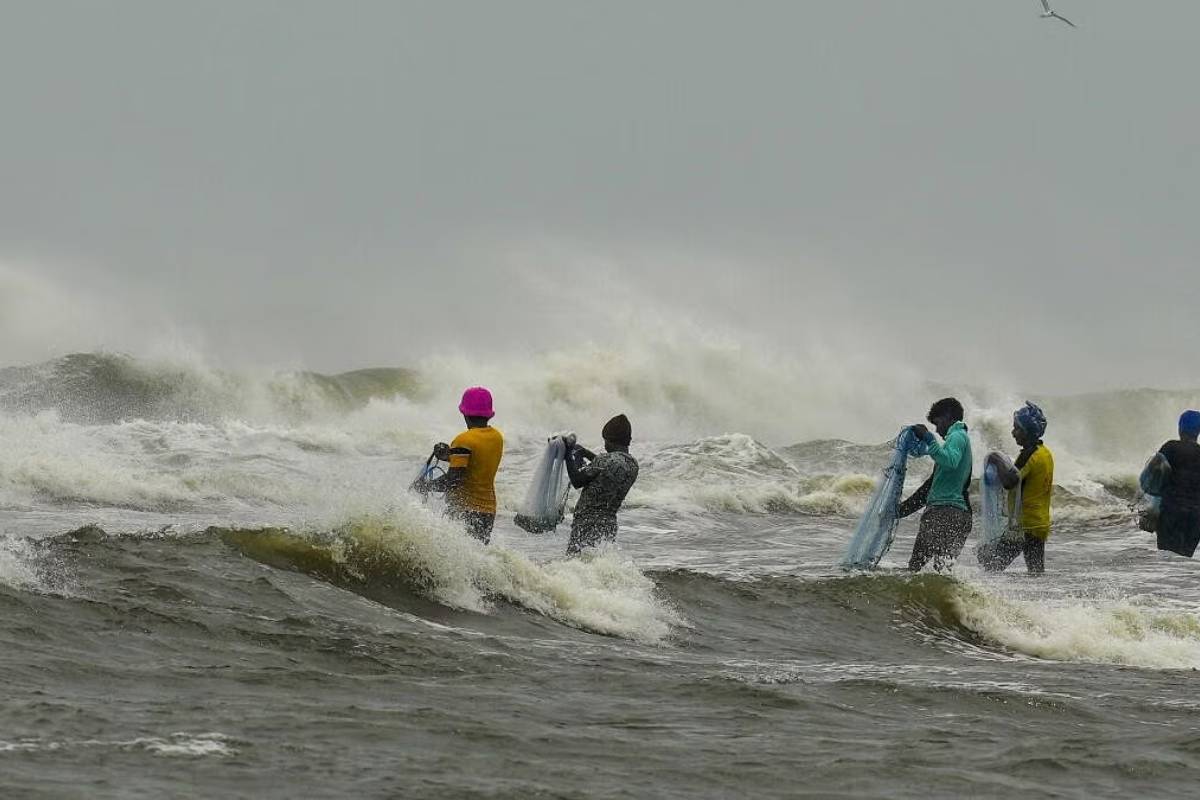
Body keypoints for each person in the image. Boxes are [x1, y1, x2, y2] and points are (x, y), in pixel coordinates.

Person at [977, 402, 1054, 574]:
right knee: (1035, 572)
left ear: (1028, 431)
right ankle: (1037, 600)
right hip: (1039, 524)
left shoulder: (1029, 454)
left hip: (1023, 526)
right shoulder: (1045, 453)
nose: (1013, 433)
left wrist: (996, 459)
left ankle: (987, 599)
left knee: (990, 565)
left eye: (1017, 428)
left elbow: (1010, 481)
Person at [898, 397, 973, 571]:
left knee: (914, 569)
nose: (938, 430)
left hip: (944, 513)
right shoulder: (958, 440)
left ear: (948, 416)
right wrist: (899, 511)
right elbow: (928, 490)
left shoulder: (957, 436)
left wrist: (929, 439)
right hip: (959, 516)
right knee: (942, 571)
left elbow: (950, 461)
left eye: (937, 423)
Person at [421, 387, 504, 543]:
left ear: (464, 413)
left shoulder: (463, 440)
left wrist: (426, 486)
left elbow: (453, 480)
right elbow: (477, 462)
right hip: (488, 511)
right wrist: (449, 455)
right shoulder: (496, 437)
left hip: (465, 511)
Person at [563, 414, 639, 556]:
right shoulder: (633, 465)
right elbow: (608, 470)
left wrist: (568, 453)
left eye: (605, 441)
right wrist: (585, 453)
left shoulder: (604, 461)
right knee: (598, 562)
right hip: (609, 524)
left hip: (586, 523)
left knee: (576, 561)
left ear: (611, 440)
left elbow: (577, 481)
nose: (605, 445)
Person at [1150, 410, 1200, 557]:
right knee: (1184, 560)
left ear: (1180, 428)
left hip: (1171, 512)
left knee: (1167, 558)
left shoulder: (1170, 447)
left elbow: (1153, 475)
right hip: (1195, 516)